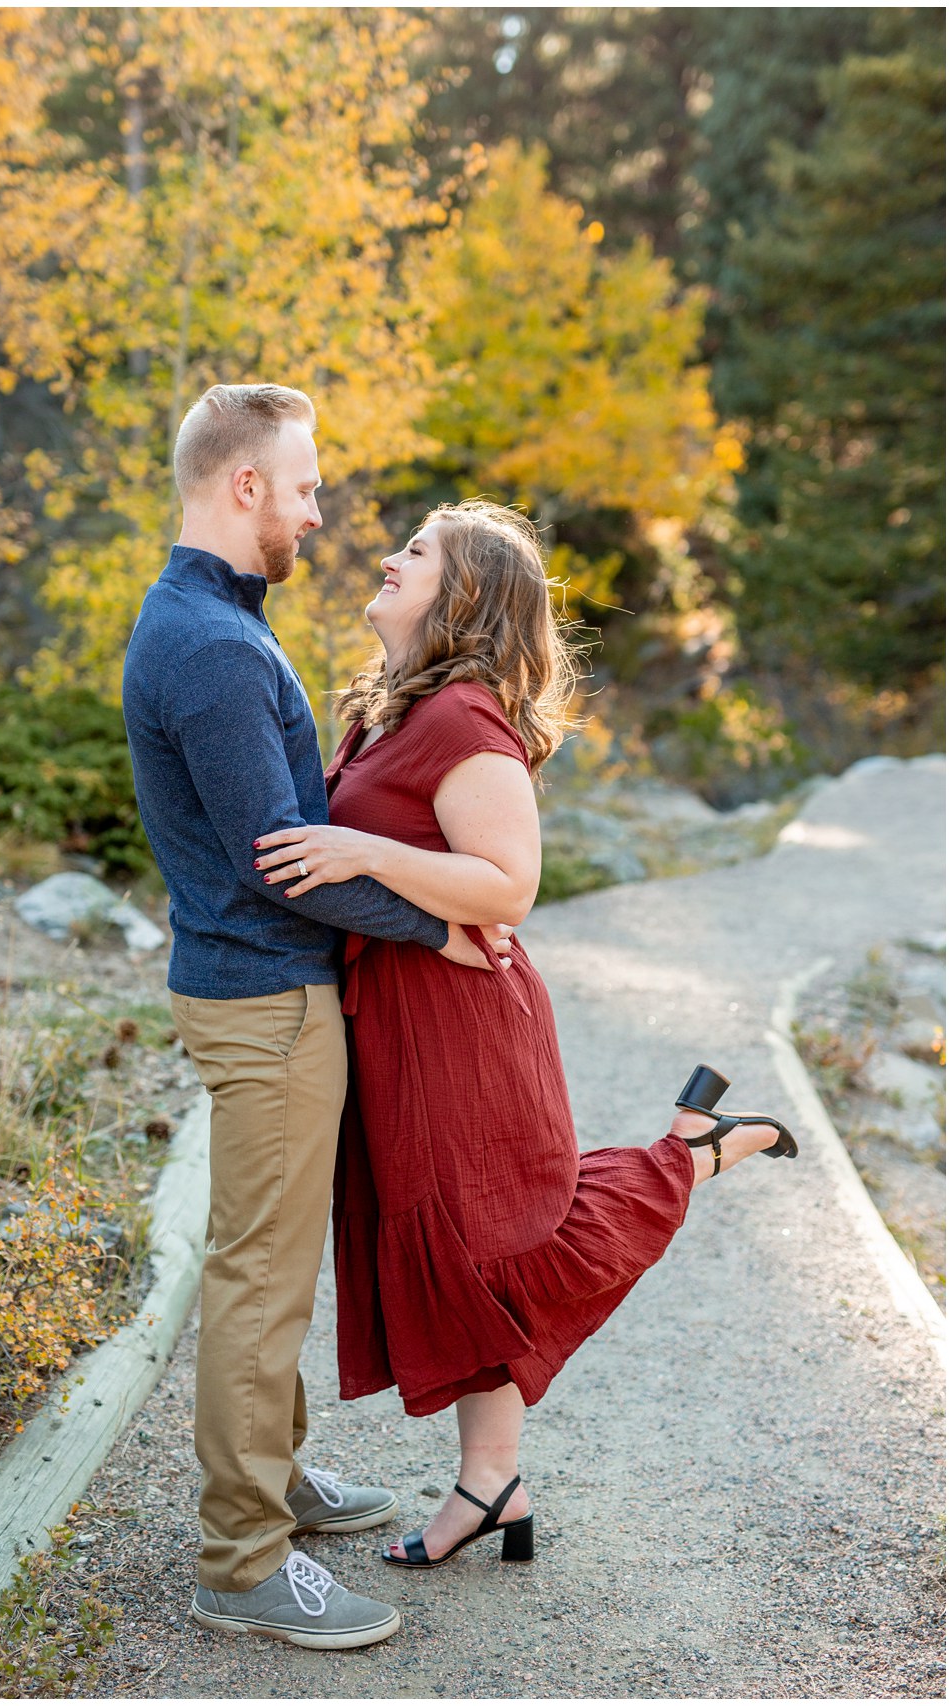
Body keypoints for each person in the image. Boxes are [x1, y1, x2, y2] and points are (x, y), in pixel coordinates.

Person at [248, 500, 793, 1573]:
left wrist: (360, 850)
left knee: (495, 1241)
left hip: (463, 1027)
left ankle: (691, 1152)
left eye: (418, 552)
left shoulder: (464, 719)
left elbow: (512, 885)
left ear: (464, 597)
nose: (391, 559)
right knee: (465, 1254)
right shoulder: (391, 711)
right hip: (405, 1020)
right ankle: (493, 1484)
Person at [122, 383, 510, 1651]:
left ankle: (277, 1473)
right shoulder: (219, 650)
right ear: (244, 487)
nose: (317, 509)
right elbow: (281, 856)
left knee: (266, 1262)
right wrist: (438, 928)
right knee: (261, 1281)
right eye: (303, 485)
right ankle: (242, 1555)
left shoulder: (212, 622)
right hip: (267, 1002)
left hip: (264, 991)